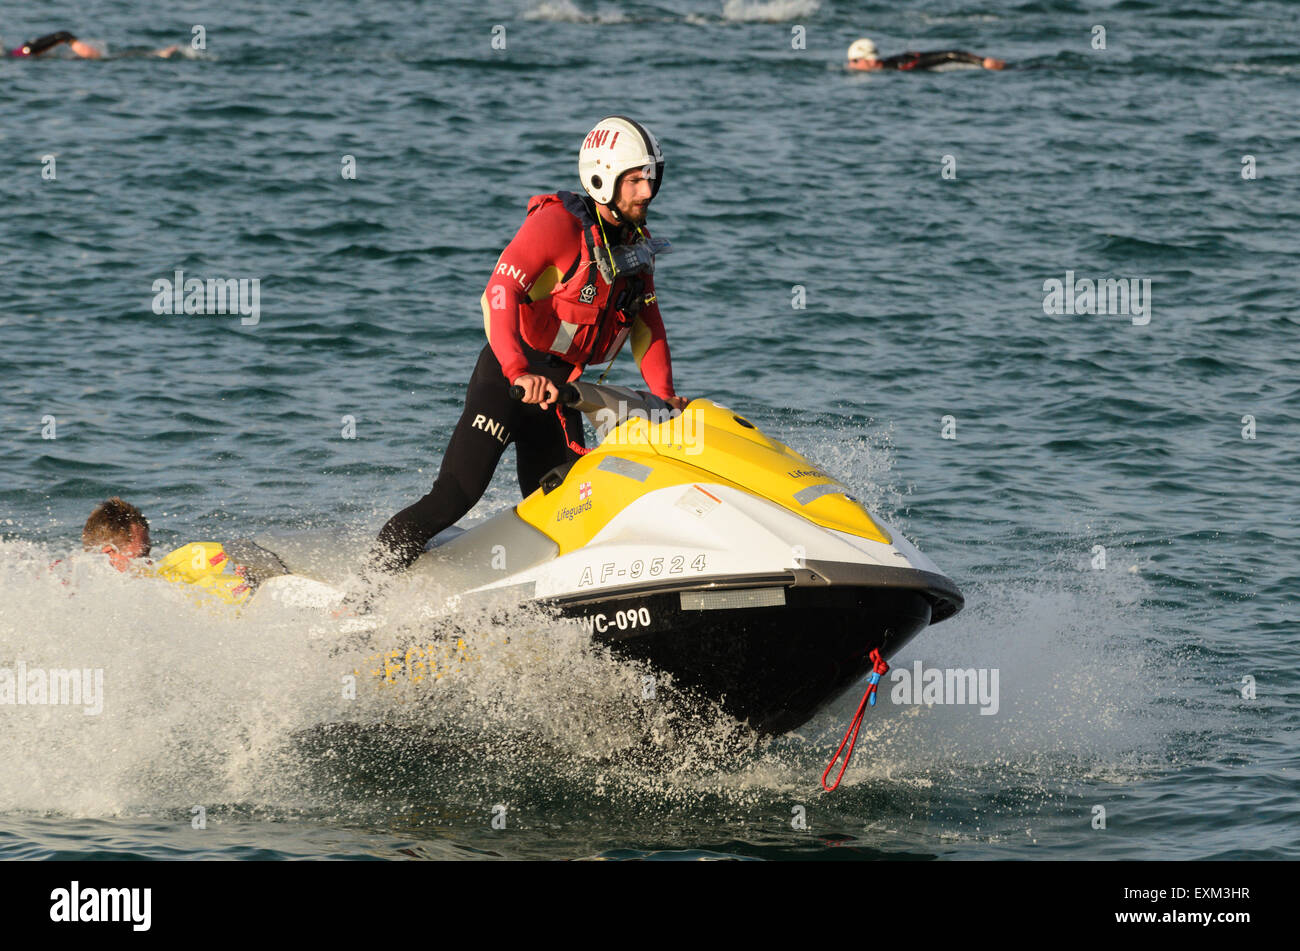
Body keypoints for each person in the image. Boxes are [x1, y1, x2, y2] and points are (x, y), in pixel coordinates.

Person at [370, 116, 688, 575]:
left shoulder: (633, 245)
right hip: (508, 381)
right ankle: (363, 593)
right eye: (635, 180)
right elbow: (498, 294)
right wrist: (519, 371)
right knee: (454, 496)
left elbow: (647, 324)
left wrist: (663, 393)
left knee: (568, 508)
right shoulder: (557, 225)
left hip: (560, 394)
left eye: (650, 179)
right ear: (603, 178)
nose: (646, 191)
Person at [80, 497, 286, 604]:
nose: (148, 562)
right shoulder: (82, 594)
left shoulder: (156, 579)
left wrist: (242, 563)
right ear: (108, 553)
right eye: (141, 556)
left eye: (148, 554)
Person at [847, 37, 1005, 72]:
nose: (850, 65)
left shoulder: (904, 65)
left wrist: (983, 62)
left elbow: (950, 54)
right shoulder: (892, 65)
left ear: (868, 61)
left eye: (854, 61)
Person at [6, 30, 178, 59]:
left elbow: (63, 36)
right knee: (111, 58)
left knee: (109, 58)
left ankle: (156, 54)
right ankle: (156, 54)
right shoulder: (20, 54)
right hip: (26, 54)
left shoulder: (21, 53)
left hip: (25, 54)